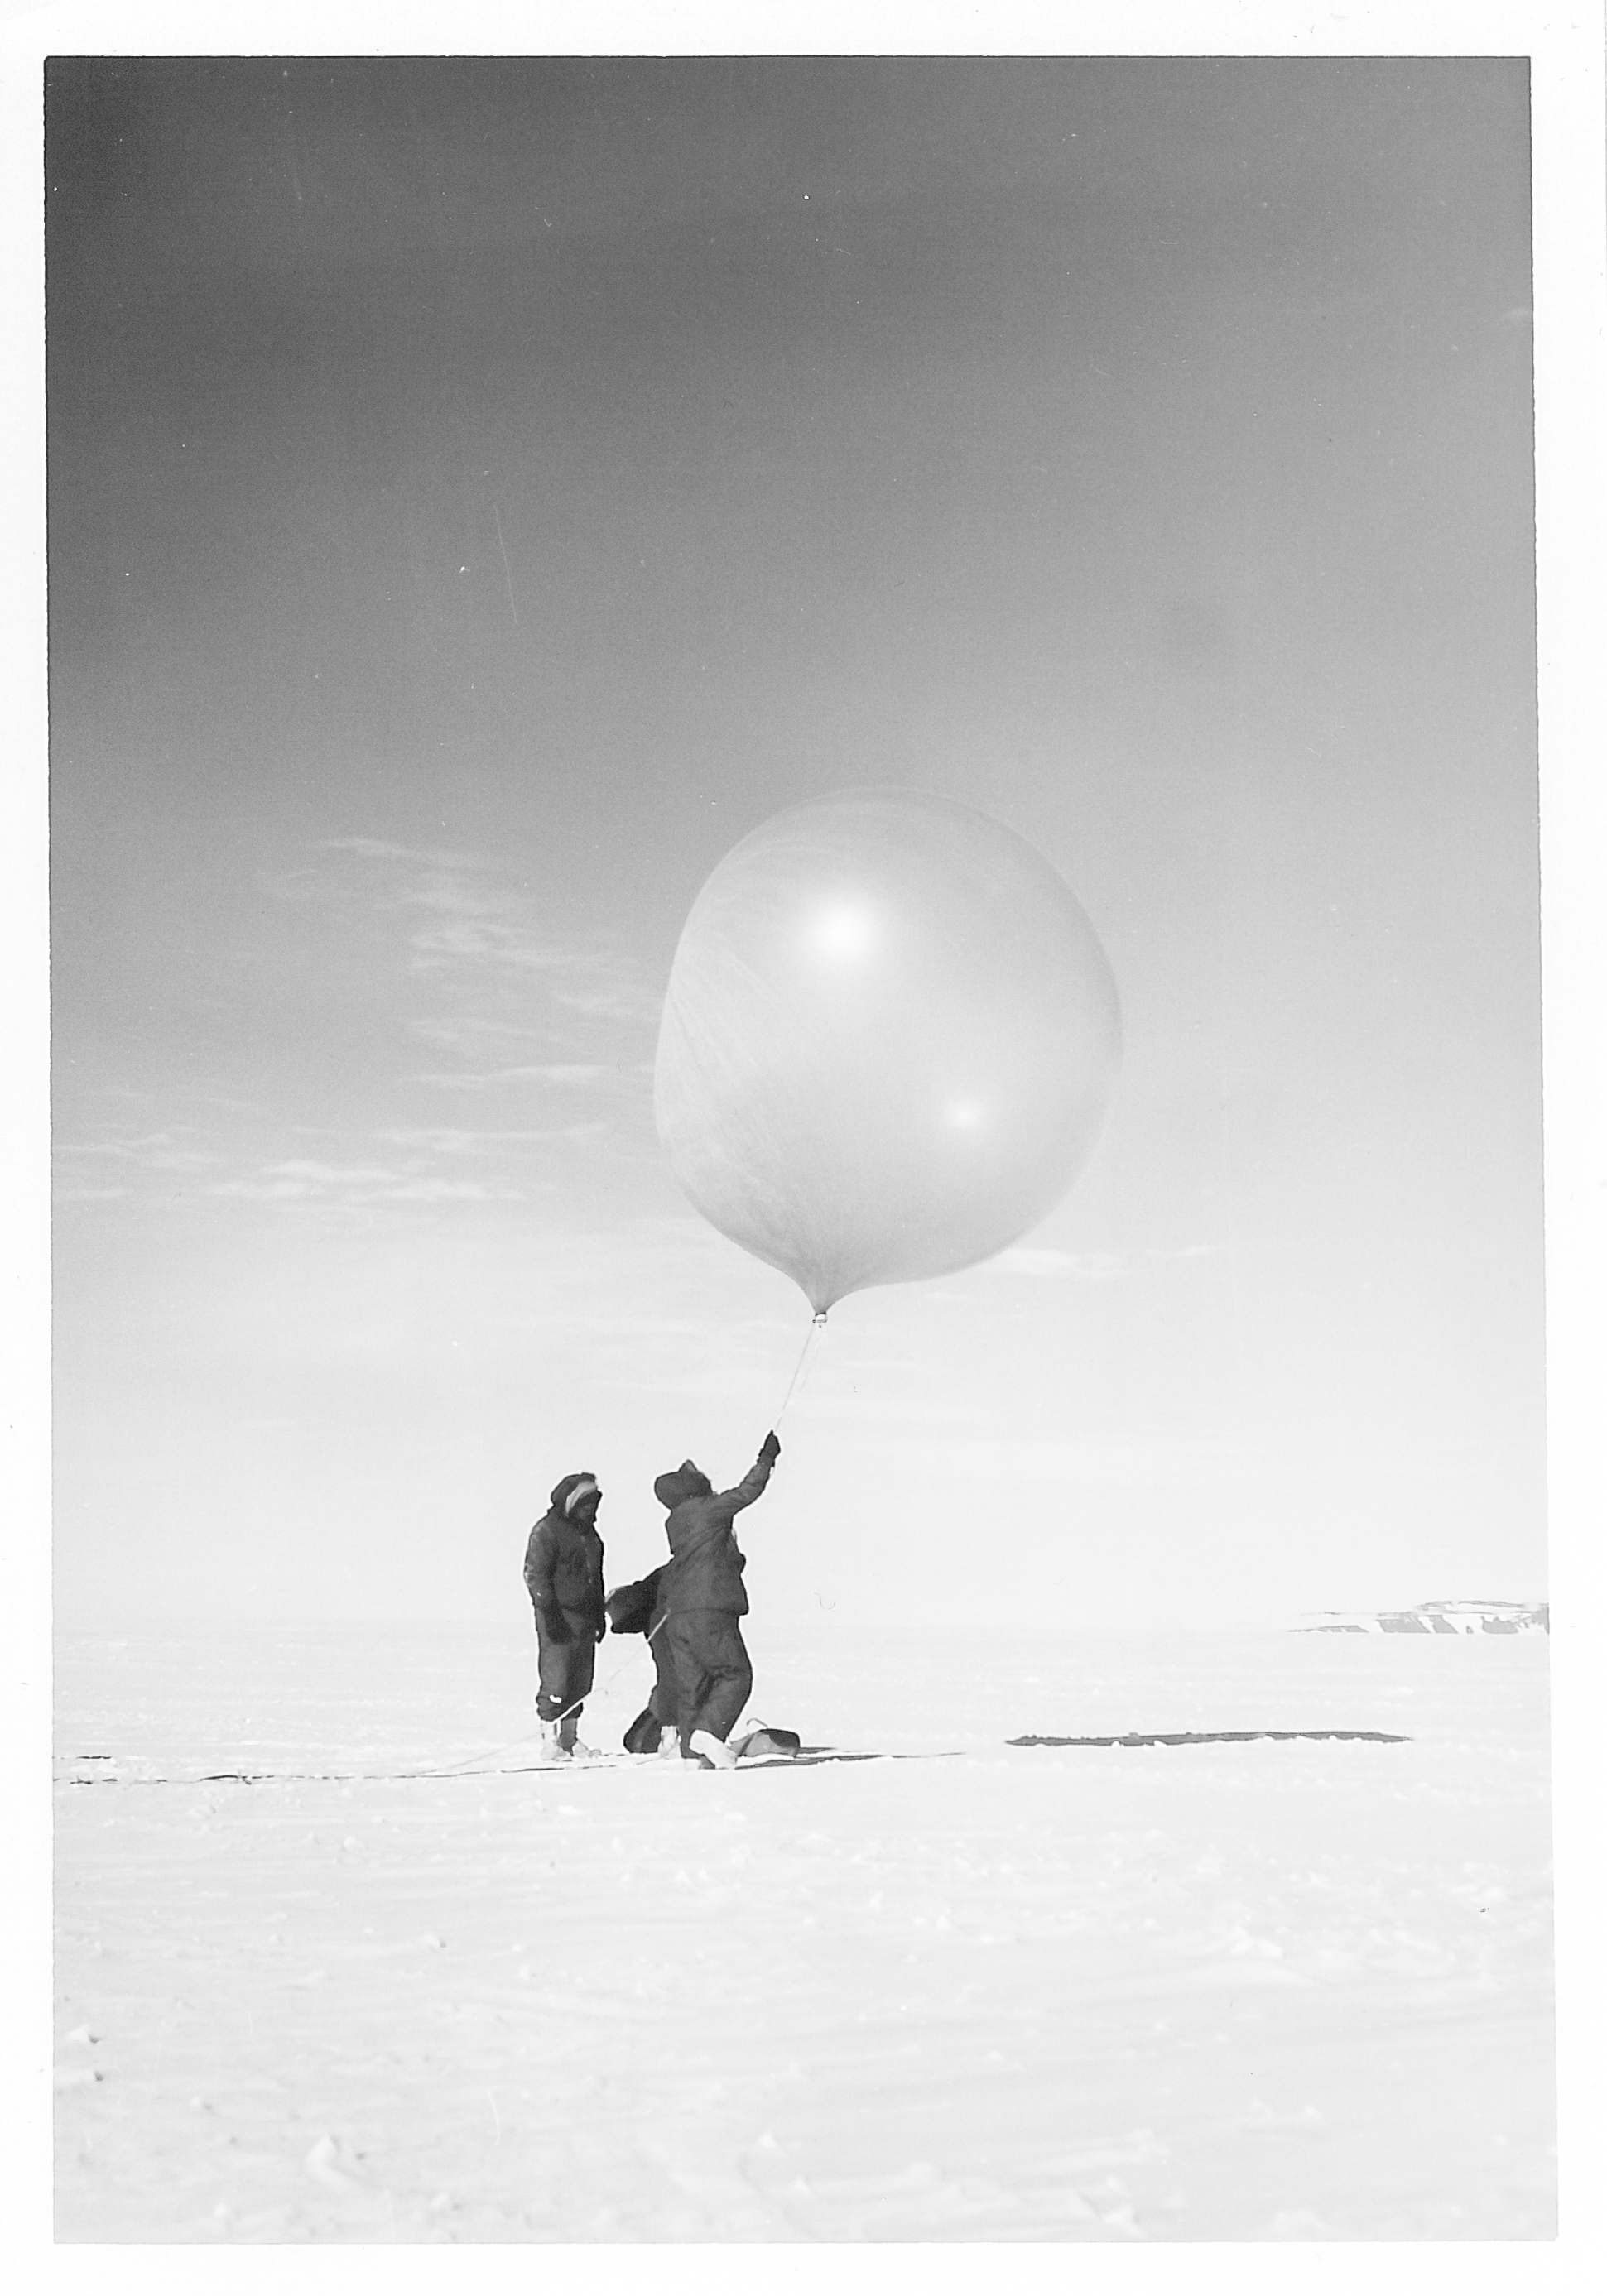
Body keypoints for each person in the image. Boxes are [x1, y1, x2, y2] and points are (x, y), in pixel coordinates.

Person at [654, 1431, 781, 1768]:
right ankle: (708, 1735)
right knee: (735, 1675)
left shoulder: (677, 1520)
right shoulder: (707, 1511)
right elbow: (747, 1492)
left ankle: (695, 1753)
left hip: (680, 1614)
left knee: (693, 1684)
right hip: (710, 1608)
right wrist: (766, 1460)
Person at [522, 1472, 607, 1759]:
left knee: (581, 1681)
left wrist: (599, 1615)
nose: (591, 1509)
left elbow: (597, 1579)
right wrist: (549, 1614)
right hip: (558, 1616)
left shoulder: (591, 1537)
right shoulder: (546, 1531)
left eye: (594, 1502)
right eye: (586, 1502)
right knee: (557, 1679)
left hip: (584, 1617)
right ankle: (550, 1742)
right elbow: (536, 1575)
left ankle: (570, 1739)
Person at [605, 1564, 680, 1756]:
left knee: (636, 1742)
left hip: (669, 1702)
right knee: (637, 1743)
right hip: (674, 1704)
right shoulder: (670, 1582)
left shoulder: (655, 1592)